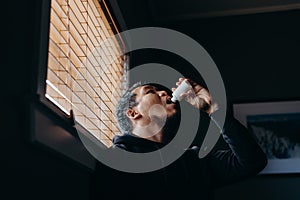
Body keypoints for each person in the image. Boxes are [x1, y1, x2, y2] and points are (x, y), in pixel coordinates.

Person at [91, 78, 267, 200]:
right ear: (133, 113)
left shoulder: (193, 161)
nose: (163, 92)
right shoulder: (116, 160)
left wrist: (214, 109)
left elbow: (252, 162)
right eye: (150, 91)